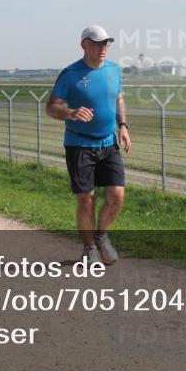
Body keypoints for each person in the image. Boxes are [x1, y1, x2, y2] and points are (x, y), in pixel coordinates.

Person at [45, 25, 131, 266]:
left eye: (106, 43)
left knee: (116, 196)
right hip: (79, 145)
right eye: (96, 43)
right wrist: (70, 112)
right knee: (86, 199)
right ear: (84, 44)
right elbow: (51, 107)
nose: (102, 48)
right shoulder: (70, 74)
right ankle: (89, 248)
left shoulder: (115, 70)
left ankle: (101, 236)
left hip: (108, 142)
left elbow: (118, 97)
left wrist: (123, 125)